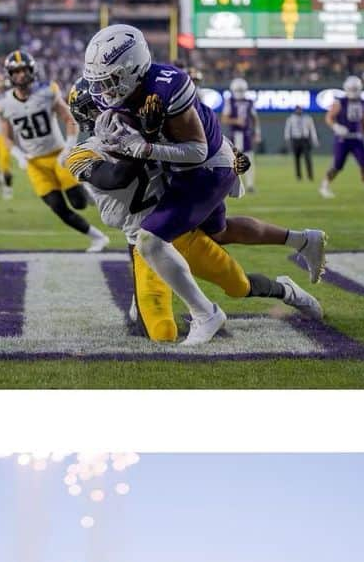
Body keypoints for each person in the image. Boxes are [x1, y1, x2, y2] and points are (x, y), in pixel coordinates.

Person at [83, 24, 327, 345]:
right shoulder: (86, 145)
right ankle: (303, 240)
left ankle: (205, 313)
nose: (101, 100)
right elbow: (114, 174)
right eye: (95, 91)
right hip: (184, 183)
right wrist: (139, 139)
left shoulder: (165, 88)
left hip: (200, 171)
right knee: (220, 233)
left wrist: (145, 145)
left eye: (110, 82)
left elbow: (195, 147)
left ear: (133, 69)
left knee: (151, 242)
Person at [0, 49, 108, 251]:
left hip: (58, 155)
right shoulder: (4, 103)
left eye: (24, 70)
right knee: (58, 207)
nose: (21, 75)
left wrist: (68, 148)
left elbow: (70, 120)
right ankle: (98, 237)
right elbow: (5, 137)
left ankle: (87, 190)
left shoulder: (47, 92)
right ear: (10, 75)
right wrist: (18, 155)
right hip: (34, 163)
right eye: (17, 71)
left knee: (78, 203)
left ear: (32, 70)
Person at [319, 77, 364, 201]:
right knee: (337, 165)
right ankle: (324, 186)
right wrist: (336, 126)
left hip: (357, 138)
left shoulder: (362, 102)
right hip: (343, 138)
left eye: (355, 89)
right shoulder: (340, 102)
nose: (353, 91)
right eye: (351, 89)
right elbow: (329, 117)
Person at [222, 77, 261, 193]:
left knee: (249, 159)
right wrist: (236, 121)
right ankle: (232, 185)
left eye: (241, 90)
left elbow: (255, 118)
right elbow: (224, 119)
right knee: (233, 160)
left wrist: (257, 132)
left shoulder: (249, 102)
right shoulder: (230, 101)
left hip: (246, 134)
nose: (239, 93)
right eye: (238, 90)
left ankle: (250, 185)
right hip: (235, 134)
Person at [284, 106, 319, 180]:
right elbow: (287, 129)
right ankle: (298, 176)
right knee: (297, 159)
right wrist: (287, 139)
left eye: (300, 109)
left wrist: (315, 140)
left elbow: (312, 130)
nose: (299, 111)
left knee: (308, 158)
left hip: (305, 140)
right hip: (295, 139)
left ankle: (310, 176)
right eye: (297, 109)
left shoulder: (307, 118)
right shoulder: (291, 118)